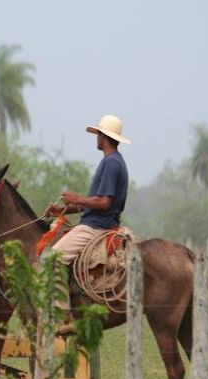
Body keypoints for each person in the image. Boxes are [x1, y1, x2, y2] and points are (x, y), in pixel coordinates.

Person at [46, 114, 130, 316]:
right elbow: (96, 203)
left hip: (96, 227)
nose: (96, 138)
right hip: (98, 221)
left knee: (53, 258)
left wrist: (78, 199)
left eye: (98, 134)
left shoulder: (110, 163)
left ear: (103, 136)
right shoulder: (116, 162)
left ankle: (62, 315)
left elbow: (104, 202)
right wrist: (63, 210)